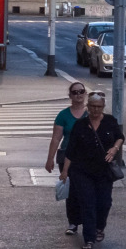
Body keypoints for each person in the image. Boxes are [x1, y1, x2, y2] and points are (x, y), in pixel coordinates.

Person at [60, 91, 124, 249]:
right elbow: (71, 151)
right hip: (82, 171)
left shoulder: (110, 121)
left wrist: (114, 149)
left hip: (103, 171)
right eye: (93, 106)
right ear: (88, 107)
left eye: (99, 107)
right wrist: (65, 171)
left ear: (103, 107)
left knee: (104, 203)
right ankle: (89, 238)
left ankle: (99, 227)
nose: (96, 110)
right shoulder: (80, 125)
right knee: (87, 203)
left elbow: (120, 136)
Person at [45, 81, 88, 237]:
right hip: (67, 156)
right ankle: (73, 222)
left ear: (85, 94)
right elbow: (56, 138)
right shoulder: (63, 115)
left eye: (81, 91)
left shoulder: (91, 113)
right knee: (72, 190)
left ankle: (89, 221)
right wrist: (50, 159)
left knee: (87, 190)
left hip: (87, 158)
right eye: (75, 92)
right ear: (70, 95)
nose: (78, 95)